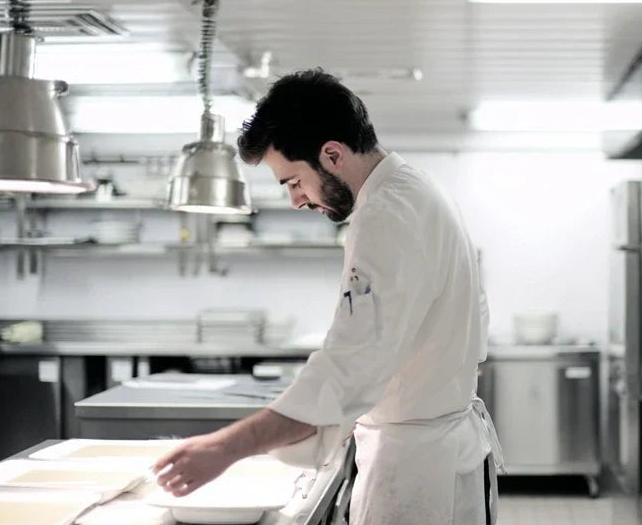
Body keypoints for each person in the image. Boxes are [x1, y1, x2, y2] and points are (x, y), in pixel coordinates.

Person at [153, 69, 503, 524]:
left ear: (332, 154)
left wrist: (225, 447)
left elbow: (348, 365)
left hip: (417, 472)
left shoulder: (386, 214)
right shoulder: (419, 190)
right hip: (441, 452)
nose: (297, 200)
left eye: (294, 181)